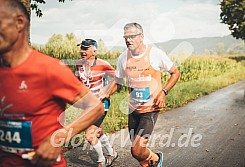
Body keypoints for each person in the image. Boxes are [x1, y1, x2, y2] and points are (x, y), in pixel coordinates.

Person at [0, 0, 104, 167]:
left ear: (19, 23)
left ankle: (104, 157)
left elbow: (95, 106)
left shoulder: (49, 69)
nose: (82, 51)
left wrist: (60, 136)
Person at [115, 22, 180, 167]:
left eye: (131, 36)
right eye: (125, 37)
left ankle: (156, 158)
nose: (128, 40)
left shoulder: (155, 54)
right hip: (133, 110)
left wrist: (164, 92)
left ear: (141, 37)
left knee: (136, 150)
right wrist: (103, 95)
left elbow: (175, 73)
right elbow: (117, 81)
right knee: (139, 151)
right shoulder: (122, 58)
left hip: (150, 110)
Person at [75, 39, 118, 167]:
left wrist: (107, 92)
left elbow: (118, 78)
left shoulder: (103, 64)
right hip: (87, 104)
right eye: (82, 48)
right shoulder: (78, 64)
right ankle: (111, 152)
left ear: (94, 50)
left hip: (101, 104)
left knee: (89, 134)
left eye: (86, 48)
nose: (82, 51)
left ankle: (101, 161)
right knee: (98, 131)